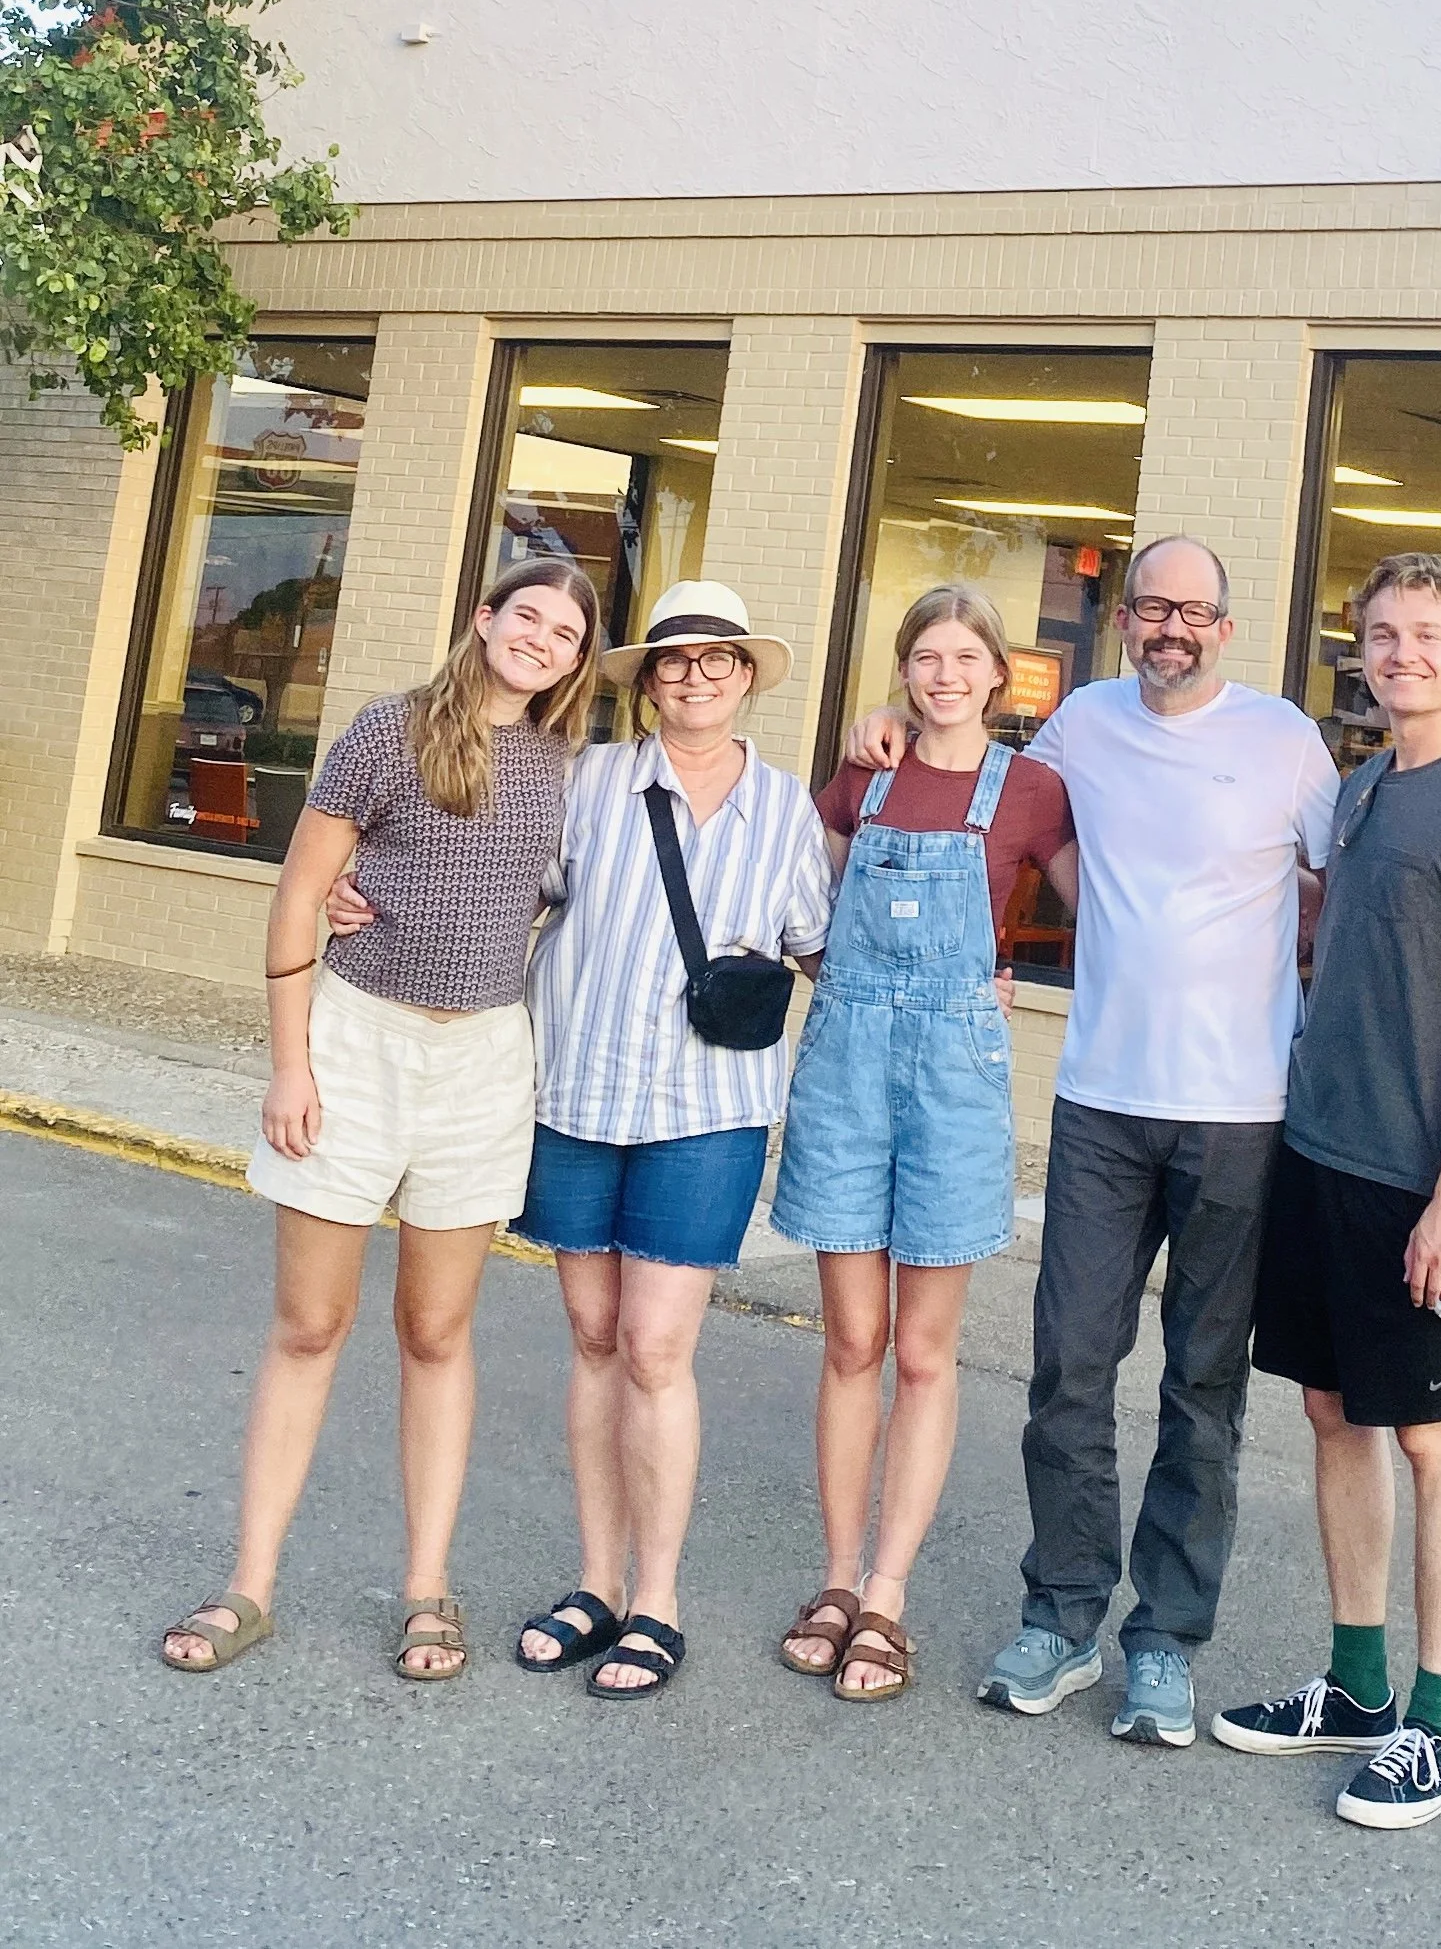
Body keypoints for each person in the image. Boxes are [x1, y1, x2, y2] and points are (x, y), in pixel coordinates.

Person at [846, 535, 1338, 1747]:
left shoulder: (1283, 739)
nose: (1171, 626)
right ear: (1123, 619)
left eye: (1194, 609)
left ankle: (1164, 1639)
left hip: (1239, 1111)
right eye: (1151, 605)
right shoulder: (1079, 728)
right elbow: (979, 790)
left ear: (1225, 626)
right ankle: (1062, 1614)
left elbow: (1335, 891)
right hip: (1103, 1101)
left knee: (1202, 1384)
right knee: (1068, 1364)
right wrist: (887, 720)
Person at [160, 559, 601, 1680]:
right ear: (485, 619)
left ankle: (426, 1589)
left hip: (485, 1061)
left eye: (566, 632)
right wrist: (290, 1067)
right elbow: (299, 891)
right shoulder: (387, 731)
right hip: (356, 1042)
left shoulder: (573, 767)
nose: (541, 640)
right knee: (309, 1325)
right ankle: (248, 1585)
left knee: (436, 1334)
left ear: (578, 659)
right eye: (528, 616)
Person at [1216, 552, 1441, 1828]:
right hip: (1320, 1151)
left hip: (1414, 1175)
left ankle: (1438, 1723)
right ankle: (1356, 1687)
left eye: (1426, 633)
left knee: (1430, 1435)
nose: (1401, 652)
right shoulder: (1357, 789)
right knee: (1329, 1410)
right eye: (1382, 633)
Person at [510, 582, 834, 1699]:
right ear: (647, 682)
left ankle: (658, 1600)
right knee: (594, 1336)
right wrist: (364, 895)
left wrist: (955, 980)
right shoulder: (588, 781)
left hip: (708, 1110)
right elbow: (509, 889)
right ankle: (595, 1582)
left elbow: (818, 944)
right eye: (674, 661)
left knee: (656, 1347)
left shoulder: (785, 808)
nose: (695, 676)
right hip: (576, 1092)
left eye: (717, 660)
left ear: (746, 677)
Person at [772, 585, 1077, 1701]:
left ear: (999, 674)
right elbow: (793, 895)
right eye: (926, 657)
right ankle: (835, 1576)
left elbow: (1108, 914)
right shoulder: (866, 773)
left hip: (954, 1080)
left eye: (965, 657)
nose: (946, 675)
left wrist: (994, 983)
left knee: (922, 1352)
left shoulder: (1033, 790)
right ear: (903, 670)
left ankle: (888, 1592)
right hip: (847, 1066)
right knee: (852, 1339)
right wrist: (837, 977)